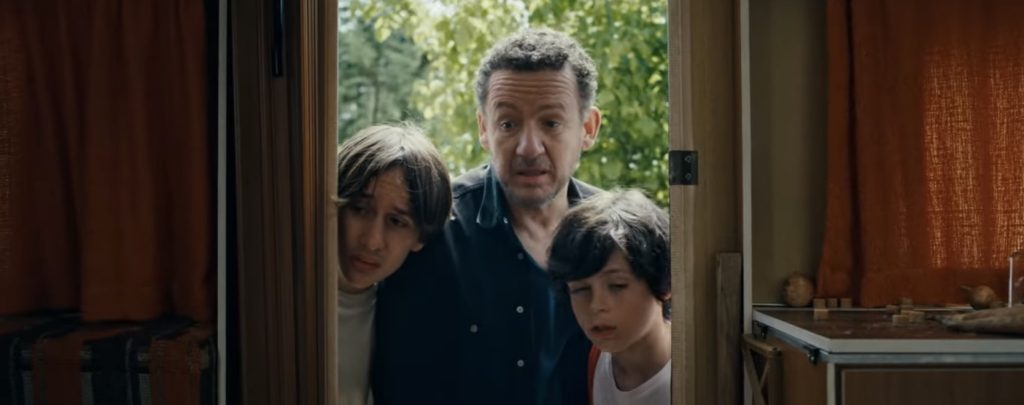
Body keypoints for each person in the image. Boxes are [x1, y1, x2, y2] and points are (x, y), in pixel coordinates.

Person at [372, 28, 603, 405]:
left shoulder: (616, 237)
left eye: (551, 123)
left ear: (588, 129)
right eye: (508, 124)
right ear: (484, 128)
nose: (529, 148)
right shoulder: (433, 230)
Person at [334, 124, 452, 405]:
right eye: (359, 209)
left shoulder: (408, 318)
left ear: (420, 238)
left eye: (396, 222)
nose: (372, 241)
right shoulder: (284, 298)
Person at [548, 190, 672, 405]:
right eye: (581, 289)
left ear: (665, 284)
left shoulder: (702, 372)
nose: (597, 305)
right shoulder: (576, 363)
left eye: (617, 286)